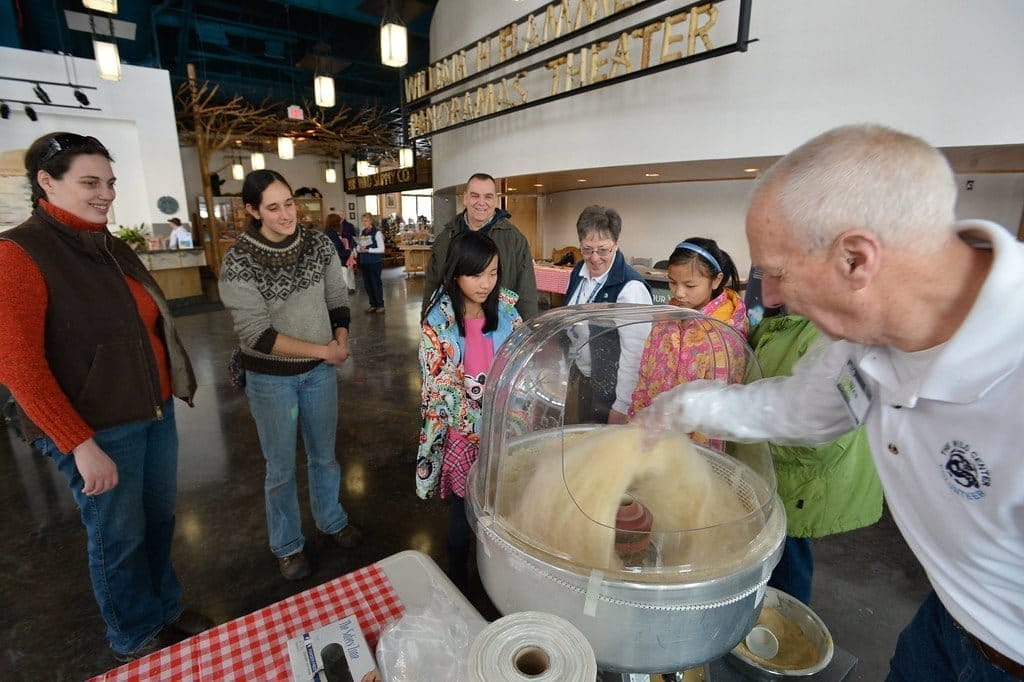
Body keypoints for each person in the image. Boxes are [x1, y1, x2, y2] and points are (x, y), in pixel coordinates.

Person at [638, 124, 1024, 680]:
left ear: (856, 259)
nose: (766, 297)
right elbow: (801, 409)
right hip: (946, 619)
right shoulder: (860, 340)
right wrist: (680, 406)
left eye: (775, 272)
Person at [0, 132, 209, 661]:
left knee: (158, 522)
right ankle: (133, 633)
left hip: (151, 411)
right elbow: (17, 364)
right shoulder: (19, 252)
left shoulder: (109, 244)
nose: (106, 194)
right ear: (47, 182)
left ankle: (164, 608)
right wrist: (77, 443)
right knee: (116, 536)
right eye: (90, 182)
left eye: (110, 182)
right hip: (97, 427)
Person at [219, 169, 362, 582]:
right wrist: (325, 351)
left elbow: (336, 297)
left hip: (319, 374)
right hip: (271, 380)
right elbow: (257, 336)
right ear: (252, 210)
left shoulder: (318, 243)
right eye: (273, 207)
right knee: (280, 466)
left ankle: (331, 520)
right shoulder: (240, 260)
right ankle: (287, 544)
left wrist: (340, 336)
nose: (286, 215)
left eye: (289, 203)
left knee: (325, 455)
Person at [747, 313, 883, 604]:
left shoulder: (829, 337)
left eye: (778, 275)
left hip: (802, 479)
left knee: (788, 554)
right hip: (775, 468)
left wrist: (752, 437)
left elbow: (824, 439)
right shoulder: (782, 323)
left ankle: (788, 623)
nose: (766, 293)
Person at [416, 230, 523, 588]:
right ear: (456, 272)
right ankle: (458, 575)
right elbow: (439, 386)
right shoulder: (439, 321)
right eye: (476, 274)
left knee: (498, 502)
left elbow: (520, 364)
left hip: (502, 429)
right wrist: (479, 423)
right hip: (463, 432)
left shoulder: (507, 312)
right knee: (465, 508)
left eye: (493, 273)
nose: (486, 284)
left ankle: (491, 569)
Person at [627, 238, 747, 447]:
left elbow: (722, 409)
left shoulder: (726, 331)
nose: (679, 293)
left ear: (717, 280)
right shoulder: (666, 319)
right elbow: (646, 376)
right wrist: (636, 420)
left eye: (690, 285)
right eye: (673, 282)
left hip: (695, 447)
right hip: (655, 435)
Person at [564, 205, 653, 424]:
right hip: (582, 377)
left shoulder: (630, 288)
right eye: (587, 249)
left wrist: (622, 405)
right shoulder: (579, 271)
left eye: (603, 250)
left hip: (610, 392)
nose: (594, 258)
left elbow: (635, 355)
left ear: (616, 244)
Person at [421, 173, 538, 320]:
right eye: (475, 196)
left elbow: (526, 291)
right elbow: (432, 285)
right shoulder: (445, 238)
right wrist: (425, 321)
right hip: (451, 329)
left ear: (495, 200)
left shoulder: (514, 239)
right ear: (465, 198)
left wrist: (527, 333)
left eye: (488, 196)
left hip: (498, 326)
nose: (481, 202)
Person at [358, 212, 386, 313]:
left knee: (375, 284)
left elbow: (382, 249)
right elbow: (359, 245)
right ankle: (373, 304)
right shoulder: (363, 232)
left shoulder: (377, 233)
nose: (364, 223)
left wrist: (368, 250)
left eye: (365, 221)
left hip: (374, 262)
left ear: (371, 221)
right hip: (364, 262)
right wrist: (358, 248)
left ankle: (380, 305)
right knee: (367, 285)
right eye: (363, 221)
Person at [325, 212, 357, 295]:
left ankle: (351, 288)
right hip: (338, 264)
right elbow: (337, 252)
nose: (341, 223)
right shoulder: (332, 234)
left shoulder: (329, 233)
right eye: (339, 221)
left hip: (336, 264)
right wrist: (349, 251)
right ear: (335, 223)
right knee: (342, 289)